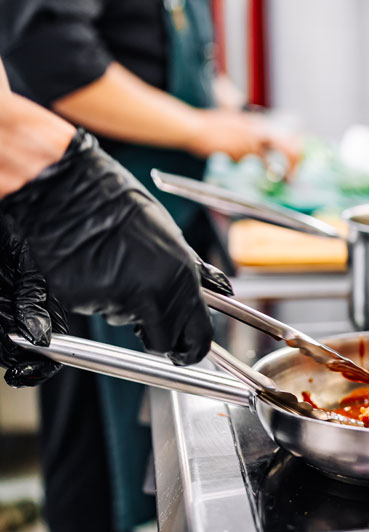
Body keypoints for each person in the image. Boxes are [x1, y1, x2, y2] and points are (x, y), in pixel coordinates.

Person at [1, 1, 299, 529]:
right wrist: (196, 128)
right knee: (95, 457)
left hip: (149, 213)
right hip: (88, 238)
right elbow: (49, 58)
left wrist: (228, 111)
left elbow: (164, 51)